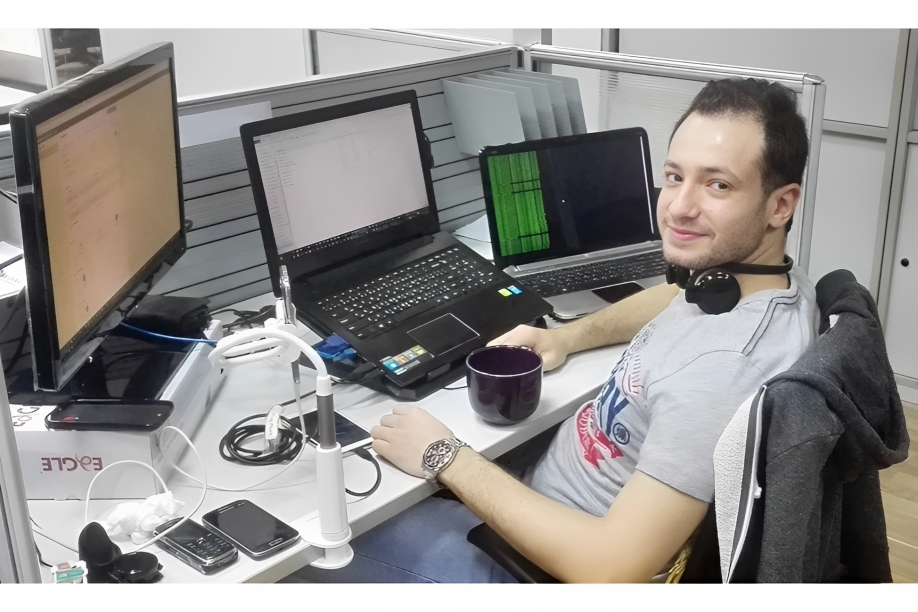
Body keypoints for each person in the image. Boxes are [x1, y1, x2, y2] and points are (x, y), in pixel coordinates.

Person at [288, 77, 820, 584]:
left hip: (534, 567)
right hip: (540, 500)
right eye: (675, 176)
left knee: (308, 548)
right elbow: (675, 297)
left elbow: (610, 570)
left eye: (718, 184)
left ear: (781, 204)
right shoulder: (758, 285)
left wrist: (444, 455)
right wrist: (565, 337)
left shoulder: (721, 374)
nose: (679, 207)